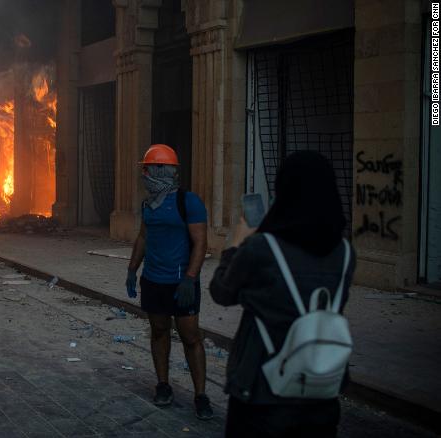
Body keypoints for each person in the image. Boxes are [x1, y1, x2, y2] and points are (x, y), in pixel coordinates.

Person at [209, 151, 355, 437]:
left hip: (263, 393)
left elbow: (222, 292)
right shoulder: (346, 253)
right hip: (321, 394)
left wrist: (236, 244)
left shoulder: (263, 248)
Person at [125, 144, 213, 420]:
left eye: (148, 168)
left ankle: (201, 395)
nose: (144, 173)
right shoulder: (148, 204)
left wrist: (190, 279)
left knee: (190, 337)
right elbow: (143, 237)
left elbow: (200, 244)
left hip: (181, 283)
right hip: (154, 280)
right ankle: (163, 385)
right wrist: (132, 269)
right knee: (159, 331)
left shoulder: (189, 202)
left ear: (162, 170)